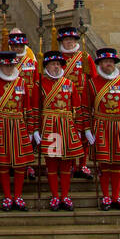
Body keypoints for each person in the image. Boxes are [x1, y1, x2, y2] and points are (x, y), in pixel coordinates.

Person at [84, 46, 120, 210]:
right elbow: (86, 108)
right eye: (106, 61)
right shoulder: (92, 83)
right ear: (100, 63)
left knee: (117, 165)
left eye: (111, 61)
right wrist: (87, 129)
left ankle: (116, 196)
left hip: (119, 126)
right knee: (104, 164)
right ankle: (106, 196)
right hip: (101, 126)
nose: (109, 64)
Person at [39, 48, 85, 211]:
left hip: (66, 126)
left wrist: (79, 128)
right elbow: (35, 108)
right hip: (51, 127)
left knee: (66, 163)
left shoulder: (69, 84)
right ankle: (55, 196)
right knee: (52, 163)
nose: (56, 67)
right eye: (52, 64)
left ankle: (65, 195)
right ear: (47, 66)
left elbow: (77, 108)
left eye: (58, 64)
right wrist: (35, 130)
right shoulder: (40, 84)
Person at [0, 49, 37, 211]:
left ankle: (17, 195)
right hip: (1, 126)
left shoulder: (22, 83)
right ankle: (7, 196)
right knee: (3, 164)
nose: (8, 69)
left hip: (19, 125)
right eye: (5, 66)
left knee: (20, 164)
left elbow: (28, 108)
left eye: (11, 65)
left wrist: (32, 130)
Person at [58, 27, 92, 177]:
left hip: (83, 100)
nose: (69, 43)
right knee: (67, 134)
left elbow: (92, 79)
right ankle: (69, 164)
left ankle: (82, 164)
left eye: (71, 40)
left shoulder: (85, 57)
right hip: (65, 102)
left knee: (84, 132)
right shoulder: (58, 59)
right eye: (66, 40)